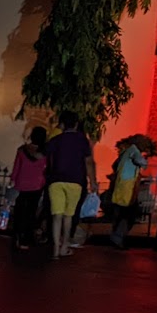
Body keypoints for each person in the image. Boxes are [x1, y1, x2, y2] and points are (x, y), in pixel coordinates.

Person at [43, 110, 96, 260]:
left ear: (62, 124)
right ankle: (65, 246)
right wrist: (93, 181)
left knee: (56, 216)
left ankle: (55, 249)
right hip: (76, 181)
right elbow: (88, 162)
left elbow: (45, 153)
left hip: (56, 180)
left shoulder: (56, 140)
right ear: (77, 124)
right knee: (68, 216)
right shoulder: (82, 140)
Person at [8, 126, 49, 250]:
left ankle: (16, 235)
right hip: (37, 185)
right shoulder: (45, 153)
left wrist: (12, 180)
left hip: (22, 183)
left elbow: (16, 168)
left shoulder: (22, 150)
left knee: (20, 210)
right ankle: (26, 238)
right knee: (31, 212)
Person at [108, 136, 151, 248]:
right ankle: (118, 237)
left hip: (119, 186)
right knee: (129, 214)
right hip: (127, 188)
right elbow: (141, 162)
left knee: (119, 214)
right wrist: (145, 162)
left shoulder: (125, 152)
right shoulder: (134, 151)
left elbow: (115, 165)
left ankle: (116, 236)